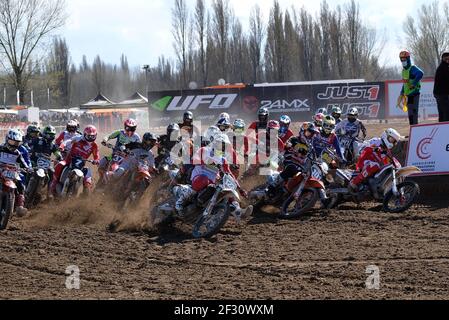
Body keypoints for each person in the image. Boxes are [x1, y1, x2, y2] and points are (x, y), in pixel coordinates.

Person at [173, 133, 251, 220]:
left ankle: (238, 212)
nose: (221, 147)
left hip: (212, 182)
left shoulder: (223, 159)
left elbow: (229, 173)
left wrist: (240, 189)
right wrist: (208, 162)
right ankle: (179, 203)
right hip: (199, 176)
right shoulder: (204, 150)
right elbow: (195, 160)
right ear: (215, 143)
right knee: (203, 179)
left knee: (227, 191)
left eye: (223, 146)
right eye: (219, 144)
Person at [267, 122, 320, 196]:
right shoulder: (294, 139)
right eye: (309, 133)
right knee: (292, 169)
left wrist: (319, 164)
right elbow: (285, 147)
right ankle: (272, 186)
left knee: (303, 176)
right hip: (288, 161)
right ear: (302, 131)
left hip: (300, 167)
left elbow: (315, 159)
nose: (310, 136)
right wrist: (289, 146)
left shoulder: (310, 148)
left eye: (312, 134)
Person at [50, 126, 100, 196]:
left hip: (81, 164)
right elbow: (68, 141)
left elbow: (96, 155)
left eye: (93, 136)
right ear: (85, 134)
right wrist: (62, 146)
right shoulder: (78, 138)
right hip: (69, 160)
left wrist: (96, 160)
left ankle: (86, 195)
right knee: (60, 164)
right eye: (89, 136)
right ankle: (54, 183)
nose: (91, 138)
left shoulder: (94, 146)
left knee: (88, 174)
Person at [349, 128, 403, 193]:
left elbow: (387, 161)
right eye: (391, 139)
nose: (392, 143)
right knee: (375, 165)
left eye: (394, 142)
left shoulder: (387, 151)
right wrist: (373, 148)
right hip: (364, 160)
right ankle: (354, 182)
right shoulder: (376, 141)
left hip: (373, 168)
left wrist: (395, 164)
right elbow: (364, 147)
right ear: (385, 136)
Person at [0, 129, 31, 215]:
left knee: (21, 184)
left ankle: (20, 206)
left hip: (12, 171)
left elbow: (23, 163)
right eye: (12, 142)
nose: (14, 145)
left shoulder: (17, 153)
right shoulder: (1, 148)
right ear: (7, 139)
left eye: (16, 143)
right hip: (1, 169)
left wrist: (28, 168)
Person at [399, 50, 424, 125]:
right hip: (408, 95)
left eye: (405, 59)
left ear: (408, 59)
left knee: (414, 112)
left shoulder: (412, 68)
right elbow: (405, 84)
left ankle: (415, 129)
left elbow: (420, 73)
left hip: (414, 93)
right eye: (401, 59)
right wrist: (402, 92)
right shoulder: (403, 71)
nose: (403, 60)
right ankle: (412, 129)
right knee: (410, 114)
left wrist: (414, 83)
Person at [434, 52, 449, 122]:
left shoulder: (442, 66)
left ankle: (442, 128)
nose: (447, 60)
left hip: (439, 93)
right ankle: (445, 128)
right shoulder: (444, 67)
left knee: (442, 112)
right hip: (442, 94)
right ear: (443, 59)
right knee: (446, 112)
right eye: (446, 58)